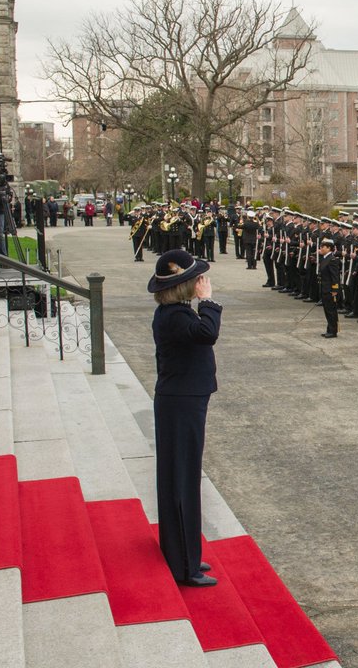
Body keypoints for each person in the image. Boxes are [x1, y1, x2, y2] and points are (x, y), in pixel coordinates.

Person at [149, 249, 221, 587]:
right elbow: (208, 334)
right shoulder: (177, 316)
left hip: (182, 400)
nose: (201, 284)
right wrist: (209, 302)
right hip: (181, 403)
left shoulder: (175, 312)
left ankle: (185, 554)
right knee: (182, 481)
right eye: (196, 280)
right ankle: (183, 566)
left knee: (183, 478)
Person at [318, 237, 340, 338]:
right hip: (324, 288)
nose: (321, 248)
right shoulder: (324, 258)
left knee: (331, 310)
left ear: (329, 248)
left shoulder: (332, 259)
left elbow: (335, 276)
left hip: (330, 290)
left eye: (323, 247)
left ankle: (333, 331)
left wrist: (335, 289)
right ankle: (329, 328)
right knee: (327, 310)